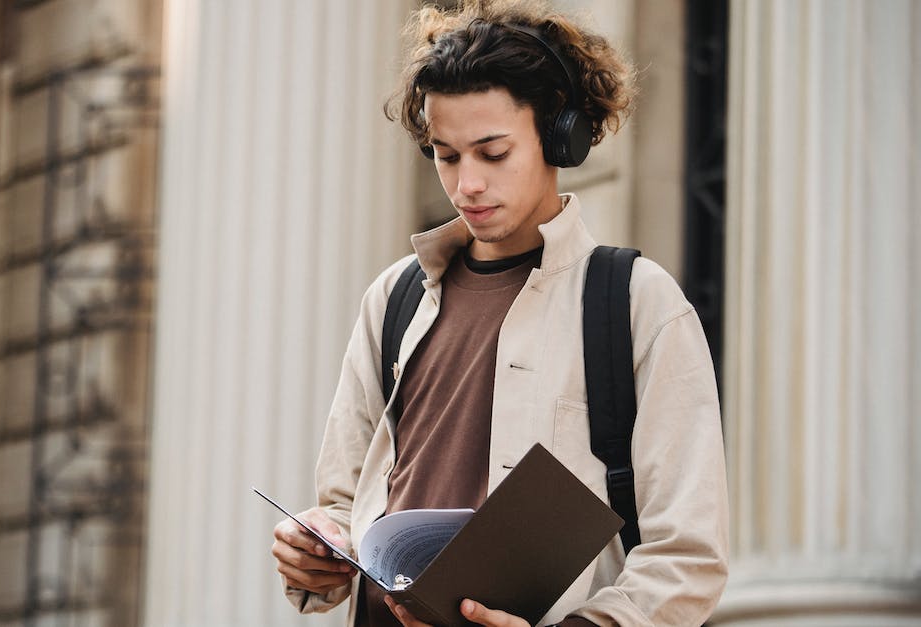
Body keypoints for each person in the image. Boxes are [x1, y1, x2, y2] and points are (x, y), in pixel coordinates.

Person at [270, 1, 728, 625]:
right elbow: (344, 505)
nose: (467, 186)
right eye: (447, 154)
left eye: (492, 152)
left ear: (561, 137)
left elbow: (689, 557)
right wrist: (318, 548)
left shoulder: (638, 303)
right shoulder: (393, 298)